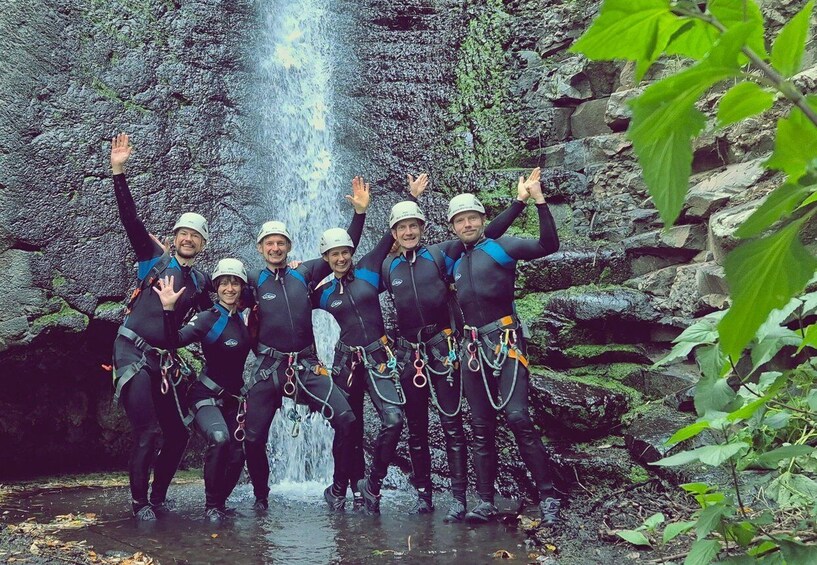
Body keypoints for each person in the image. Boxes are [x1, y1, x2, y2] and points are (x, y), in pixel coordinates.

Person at [382, 172, 535, 522]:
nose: (408, 232)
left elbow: (483, 235)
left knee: (452, 424)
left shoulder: (441, 254)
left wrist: (520, 202)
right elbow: (356, 275)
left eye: (414, 226)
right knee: (416, 427)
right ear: (393, 233)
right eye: (401, 227)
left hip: (443, 350)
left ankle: (459, 499)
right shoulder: (389, 267)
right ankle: (423, 496)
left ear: (423, 228)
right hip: (409, 354)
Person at [242, 180, 369, 513]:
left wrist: (359, 212)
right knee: (252, 438)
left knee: (346, 418)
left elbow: (343, 248)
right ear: (260, 248)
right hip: (269, 369)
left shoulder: (306, 273)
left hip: (307, 366)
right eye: (269, 243)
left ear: (289, 246)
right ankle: (261, 495)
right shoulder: (254, 281)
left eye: (280, 242)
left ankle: (338, 488)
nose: (275, 248)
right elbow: (222, 298)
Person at [446, 168, 562, 525]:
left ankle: (548, 495)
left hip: (505, 341)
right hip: (471, 347)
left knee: (517, 418)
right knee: (481, 426)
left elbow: (548, 246)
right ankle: (484, 501)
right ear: (453, 227)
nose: (467, 225)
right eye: (461, 221)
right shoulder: (453, 261)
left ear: (483, 220)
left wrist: (536, 200)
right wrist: (517, 202)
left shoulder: (501, 247)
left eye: (473, 218)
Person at [109, 133, 212, 521]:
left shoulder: (201, 283)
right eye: (183, 233)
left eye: (195, 236)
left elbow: (221, 310)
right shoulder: (153, 259)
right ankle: (139, 506)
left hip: (162, 360)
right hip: (132, 350)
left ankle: (158, 497)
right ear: (175, 238)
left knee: (179, 434)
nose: (188, 239)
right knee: (148, 433)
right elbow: (130, 219)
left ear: (203, 244)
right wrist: (119, 170)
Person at [312, 176, 404, 514]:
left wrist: (361, 213)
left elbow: (388, 237)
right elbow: (290, 308)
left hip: (378, 355)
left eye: (345, 252)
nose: (341, 258)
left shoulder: (367, 269)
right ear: (326, 257)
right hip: (345, 361)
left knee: (393, 420)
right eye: (334, 254)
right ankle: (339, 488)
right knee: (346, 426)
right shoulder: (322, 293)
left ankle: (371, 484)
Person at [153, 259, 251, 522]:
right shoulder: (209, 318)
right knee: (220, 439)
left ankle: (220, 502)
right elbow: (173, 340)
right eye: (224, 283)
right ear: (216, 287)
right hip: (205, 395)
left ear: (242, 287)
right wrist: (168, 309)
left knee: (240, 452)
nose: (229, 288)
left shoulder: (244, 317)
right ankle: (211, 508)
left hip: (234, 399)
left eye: (235, 283)